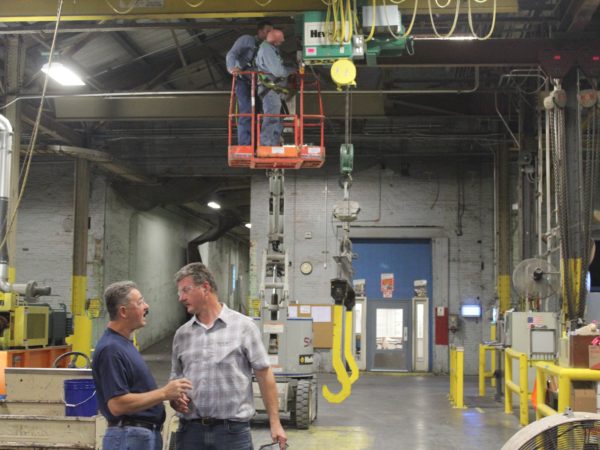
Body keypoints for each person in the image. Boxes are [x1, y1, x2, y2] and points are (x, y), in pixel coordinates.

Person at [170, 262, 287, 450]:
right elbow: (175, 377)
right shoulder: (182, 334)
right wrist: (175, 398)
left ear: (205, 288)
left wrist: (275, 423)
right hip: (190, 433)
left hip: (232, 434)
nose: (181, 298)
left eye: (186, 290)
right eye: (179, 292)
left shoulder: (244, 327)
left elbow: (264, 376)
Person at [92, 281, 193, 450]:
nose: (146, 306)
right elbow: (117, 405)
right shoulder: (111, 349)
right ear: (123, 311)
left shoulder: (124, 344)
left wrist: (170, 396)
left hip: (140, 436)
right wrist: (164, 393)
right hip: (129, 437)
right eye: (140, 303)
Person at [226, 21, 273, 146]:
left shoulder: (270, 48)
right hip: (244, 80)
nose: (270, 34)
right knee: (246, 110)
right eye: (268, 31)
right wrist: (232, 68)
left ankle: (259, 142)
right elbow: (232, 53)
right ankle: (246, 144)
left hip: (259, 83)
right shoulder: (247, 40)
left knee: (260, 112)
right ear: (260, 31)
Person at [255, 28, 296, 146]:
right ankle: (266, 144)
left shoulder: (271, 49)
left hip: (274, 90)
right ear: (275, 40)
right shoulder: (267, 50)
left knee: (278, 116)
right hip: (270, 89)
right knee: (272, 116)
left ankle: (273, 142)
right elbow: (278, 71)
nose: (281, 43)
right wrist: (292, 70)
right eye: (280, 41)